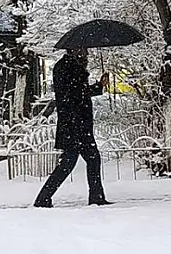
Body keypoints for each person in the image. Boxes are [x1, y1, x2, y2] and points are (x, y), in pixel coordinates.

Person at [34, 48, 112, 207]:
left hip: (78, 124)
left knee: (92, 159)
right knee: (69, 163)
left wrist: (98, 85)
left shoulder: (72, 67)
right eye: (84, 50)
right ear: (75, 50)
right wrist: (96, 86)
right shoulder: (66, 68)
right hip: (73, 124)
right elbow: (76, 94)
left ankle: (96, 197)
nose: (87, 54)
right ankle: (43, 198)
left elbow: (79, 92)